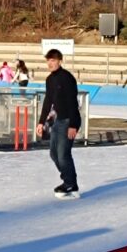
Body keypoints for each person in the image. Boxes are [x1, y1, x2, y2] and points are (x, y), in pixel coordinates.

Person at [36, 49, 81, 199]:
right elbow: (48, 101)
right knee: (54, 154)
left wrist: (73, 125)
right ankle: (70, 182)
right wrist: (41, 122)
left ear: (60, 61)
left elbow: (73, 103)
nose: (50, 63)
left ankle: (69, 183)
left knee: (63, 155)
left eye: (53, 60)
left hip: (69, 120)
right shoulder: (50, 80)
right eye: (48, 60)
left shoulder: (67, 78)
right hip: (58, 120)